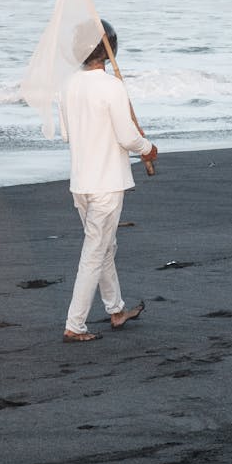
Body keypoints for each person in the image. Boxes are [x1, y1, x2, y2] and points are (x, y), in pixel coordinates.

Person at [59, 19, 158, 342]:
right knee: (95, 251)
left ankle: (115, 309)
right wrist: (148, 148)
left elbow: (66, 134)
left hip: (81, 184)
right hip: (106, 183)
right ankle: (75, 324)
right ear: (110, 50)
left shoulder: (69, 86)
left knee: (105, 248)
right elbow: (128, 138)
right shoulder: (113, 86)